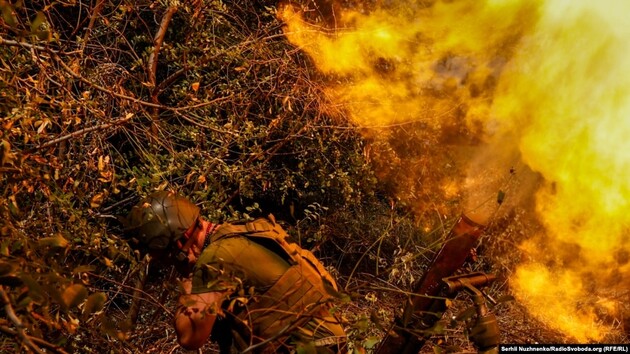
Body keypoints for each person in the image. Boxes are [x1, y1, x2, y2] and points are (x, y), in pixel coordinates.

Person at [125, 191, 347, 353]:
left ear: (182, 241)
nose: (169, 265)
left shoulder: (215, 259)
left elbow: (190, 337)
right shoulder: (241, 232)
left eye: (165, 257)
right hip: (330, 340)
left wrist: (186, 289)